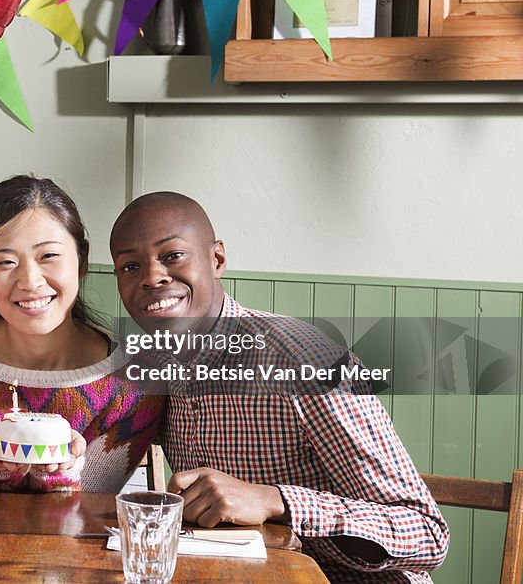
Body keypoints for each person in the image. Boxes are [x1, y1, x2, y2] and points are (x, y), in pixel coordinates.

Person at [109, 191, 449, 583]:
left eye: (172, 256)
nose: (152, 277)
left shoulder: (306, 361)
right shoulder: (155, 369)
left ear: (217, 259)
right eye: (130, 266)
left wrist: (274, 500)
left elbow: (427, 534)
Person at [0, 175, 163, 492]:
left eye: (48, 256)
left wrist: (57, 468)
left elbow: (89, 507)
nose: (29, 281)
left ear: (81, 260)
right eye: (6, 261)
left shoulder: (135, 381)